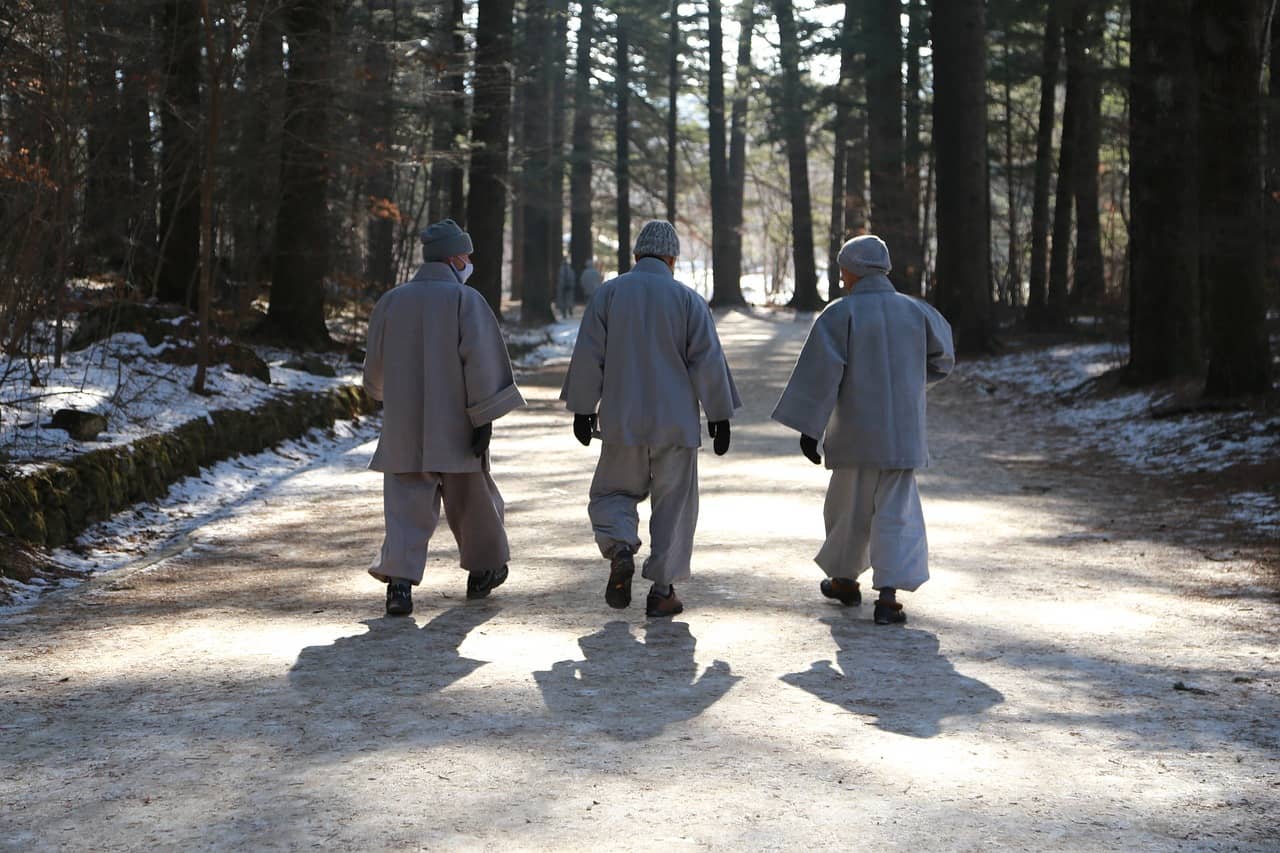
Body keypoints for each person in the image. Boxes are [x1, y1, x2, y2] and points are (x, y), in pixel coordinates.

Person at [561, 220, 741, 618]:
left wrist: (583, 408)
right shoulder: (688, 300)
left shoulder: (609, 295)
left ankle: (621, 544)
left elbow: (590, 356)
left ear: (637, 255)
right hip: (675, 423)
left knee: (612, 493)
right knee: (674, 505)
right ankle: (662, 590)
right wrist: (719, 416)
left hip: (622, 421)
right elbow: (706, 360)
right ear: (673, 258)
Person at [771, 234, 954, 625]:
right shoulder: (917, 312)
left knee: (847, 510)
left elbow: (820, 376)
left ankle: (844, 579)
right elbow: (944, 358)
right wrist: (912, 382)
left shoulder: (841, 314)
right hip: (902, 433)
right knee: (897, 513)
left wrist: (809, 427)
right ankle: (887, 597)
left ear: (850, 272)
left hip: (855, 434)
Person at [363, 218, 526, 616]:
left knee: (404, 508)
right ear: (454, 257)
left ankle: (399, 586)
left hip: (405, 427)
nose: (470, 261)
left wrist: (385, 395)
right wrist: (484, 418)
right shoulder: (465, 302)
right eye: (466, 254)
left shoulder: (392, 301)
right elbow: (482, 364)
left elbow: (375, 371)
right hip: (456, 425)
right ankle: (484, 570)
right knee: (474, 502)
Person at [556, 256, 576, 320]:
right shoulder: (570, 269)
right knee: (568, 299)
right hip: (569, 287)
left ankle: (564, 313)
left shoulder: (561, 269)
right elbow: (572, 277)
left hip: (563, 287)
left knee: (563, 300)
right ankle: (569, 311)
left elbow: (560, 279)